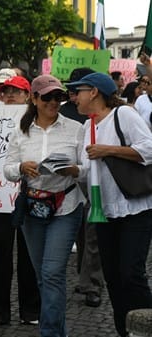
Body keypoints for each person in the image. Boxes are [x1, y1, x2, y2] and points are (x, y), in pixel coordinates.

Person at [66, 72, 152, 337]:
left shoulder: (122, 115)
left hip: (134, 208)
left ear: (93, 92)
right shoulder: (86, 127)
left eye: (77, 91)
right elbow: (87, 169)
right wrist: (67, 169)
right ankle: (124, 331)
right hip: (103, 212)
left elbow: (148, 149)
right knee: (113, 278)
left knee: (131, 273)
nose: (73, 97)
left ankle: (145, 328)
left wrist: (108, 150)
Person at [4, 75, 85, 336]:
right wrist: (20, 167)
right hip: (32, 208)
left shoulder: (75, 129)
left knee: (52, 273)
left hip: (66, 206)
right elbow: (7, 169)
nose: (54, 102)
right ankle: (58, 331)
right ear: (35, 99)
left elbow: (88, 169)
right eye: (48, 97)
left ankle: (49, 333)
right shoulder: (20, 130)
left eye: (58, 97)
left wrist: (74, 170)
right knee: (42, 275)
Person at [0, 75, 40, 327]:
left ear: (27, 96)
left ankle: (32, 311)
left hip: (31, 196)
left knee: (30, 254)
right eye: (5, 92)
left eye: (16, 91)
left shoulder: (38, 123)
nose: (10, 95)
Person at [60, 67, 104, 309]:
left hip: (92, 181)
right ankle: (85, 277)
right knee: (81, 232)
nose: (74, 95)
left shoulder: (96, 115)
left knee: (93, 234)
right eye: (73, 90)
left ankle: (93, 283)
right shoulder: (66, 110)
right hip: (69, 182)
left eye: (78, 90)